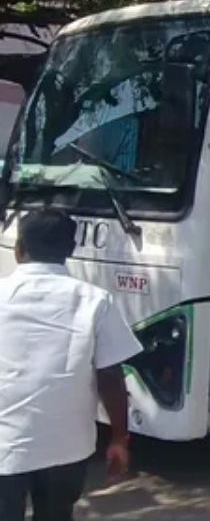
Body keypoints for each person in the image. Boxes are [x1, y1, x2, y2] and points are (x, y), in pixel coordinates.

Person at [0, 210, 143, 521]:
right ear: (71, 249)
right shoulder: (95, 301)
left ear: (19, 249)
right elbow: (110, 376)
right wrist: (119, 438)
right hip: (66, 447)